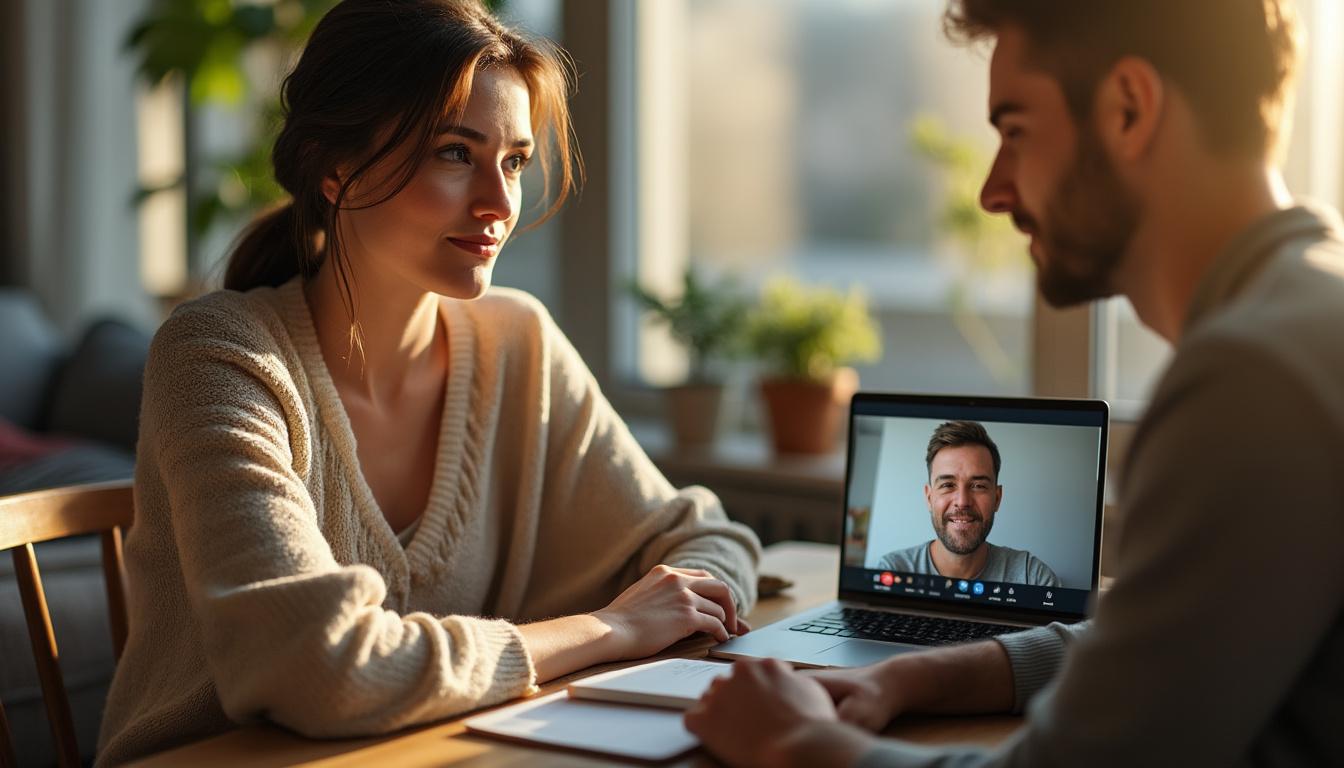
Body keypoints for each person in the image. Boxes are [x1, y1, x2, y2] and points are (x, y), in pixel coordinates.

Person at [96, 2, 760, 765]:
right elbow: (319, 667)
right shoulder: (218, 354)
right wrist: (610, 628)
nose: (499, 204)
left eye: (514, 161)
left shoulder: (518, 342)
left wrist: (677, 604)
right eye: (454, 153)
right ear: (333, 167)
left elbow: (704, 542)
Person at [687, 0, 1344, 765]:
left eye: (1016, 131)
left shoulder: (1251, 382)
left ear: (1129, 110)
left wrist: (794, 740)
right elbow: (1179, 641)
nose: (993, 192)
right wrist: (919, 675)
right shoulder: (1309, 314)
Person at [876, 421, 1059, 586]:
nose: (962, 502)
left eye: (978, 486)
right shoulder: (892, 571)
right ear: (929, 498)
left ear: (997, 498)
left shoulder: (1033, 577)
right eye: (948, 485)